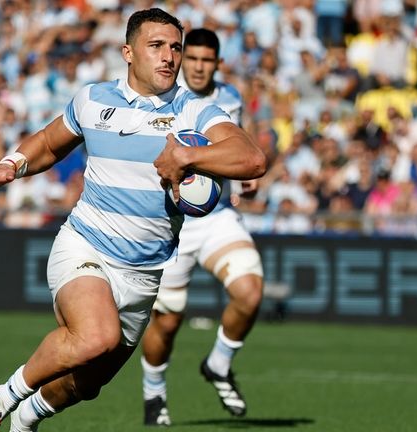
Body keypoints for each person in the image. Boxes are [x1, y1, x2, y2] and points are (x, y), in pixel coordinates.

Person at [0, 9, 266, 432]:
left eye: (175, 47)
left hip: (145, 272)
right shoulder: (94, 99)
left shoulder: (194, 111)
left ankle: (26, 417)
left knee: (85, 384)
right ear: (128, 52)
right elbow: (48, 142)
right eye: (156, 46)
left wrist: (189, 155)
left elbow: (252, 158)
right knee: (96, 336)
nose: (169, 57)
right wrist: (13, 163)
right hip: (85, 246)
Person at [139, 28, 266, 426]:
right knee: (168, 320)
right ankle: (153, 392)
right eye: (189, 57)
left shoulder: (229, 98)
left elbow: (238, 148)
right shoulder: (163, 97)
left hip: (215, 216)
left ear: (217, 63)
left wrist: (244, 172)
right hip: (171, 222)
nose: (196, 66)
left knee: (250, 292)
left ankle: (218, 363)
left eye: (205, 60)